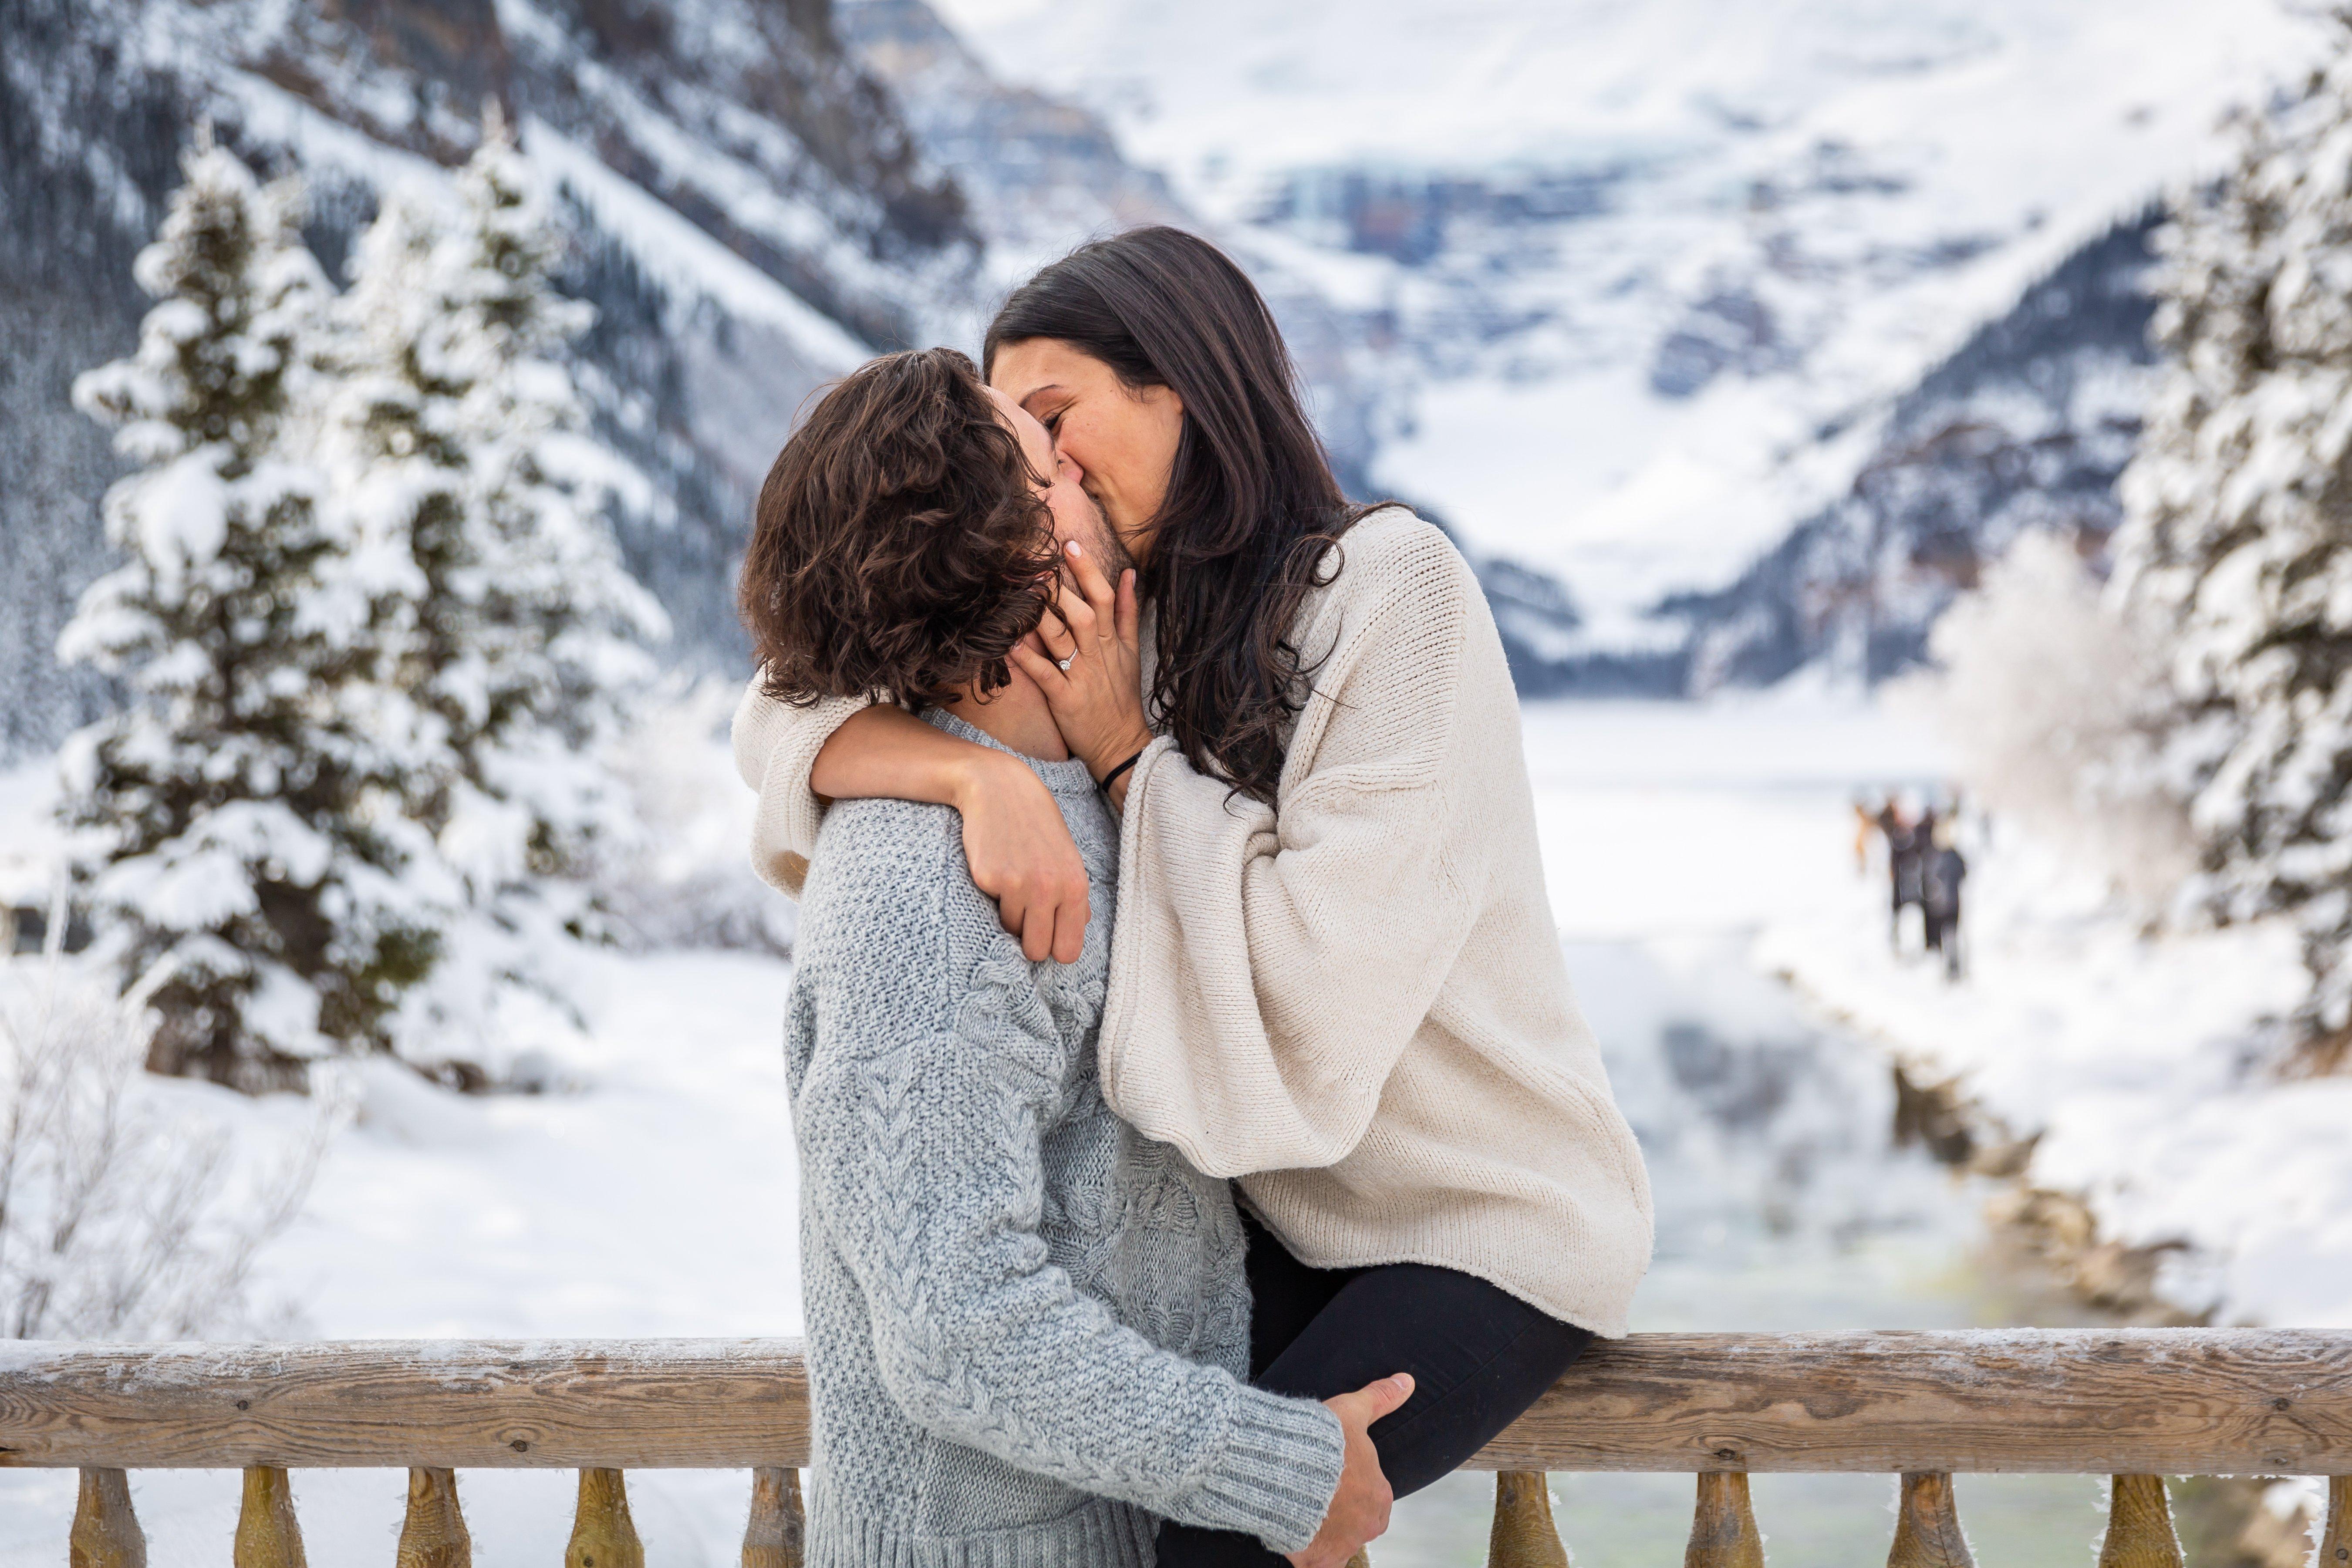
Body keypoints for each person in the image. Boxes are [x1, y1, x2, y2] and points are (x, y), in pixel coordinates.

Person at [734, 226, 1653, 1567]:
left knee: (1224, 1538)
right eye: (1017, 450)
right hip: (1273, 1207)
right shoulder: (1108, 600)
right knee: (1138, 1473)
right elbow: (796, 679)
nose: (1041, 471)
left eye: (1053, 424)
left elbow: (1317, 1001)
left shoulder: (1390, 598)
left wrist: (1121, 759)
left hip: (1467, 1214)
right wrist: (965, 778)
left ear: (1189, 389)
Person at [742, 346, 1411, 1568]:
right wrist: (1280, 1467)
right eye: (1052, 464)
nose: (1092, 480)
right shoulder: (916, 889)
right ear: (1013, 554)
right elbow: (956, 1323)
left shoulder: (1082, 791)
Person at [1924, 824, 1967, 981]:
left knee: (1950, 937)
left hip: (1946, 905)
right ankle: (1950, 969)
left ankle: (1953, 970)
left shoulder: (1942, 856)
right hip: (1944, 904)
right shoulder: (1944, 856)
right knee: (1948, 938)